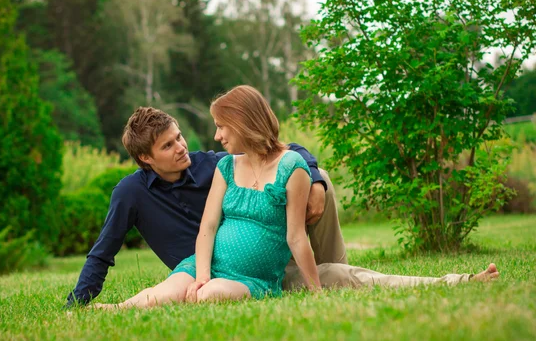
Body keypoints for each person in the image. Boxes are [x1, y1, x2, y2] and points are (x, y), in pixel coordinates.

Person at [66, 86, 499, 308]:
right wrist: (79, 300)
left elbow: (282, 153)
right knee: (166, 293)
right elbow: (103, 252)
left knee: (337, 263)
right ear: (145, 158)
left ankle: (452, 281)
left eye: (180, 137)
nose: (182, 147)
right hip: (208, 273)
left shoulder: (212, 163)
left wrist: (314, 180)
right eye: (168, 146)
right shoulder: (131, 193)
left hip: (270, 265)